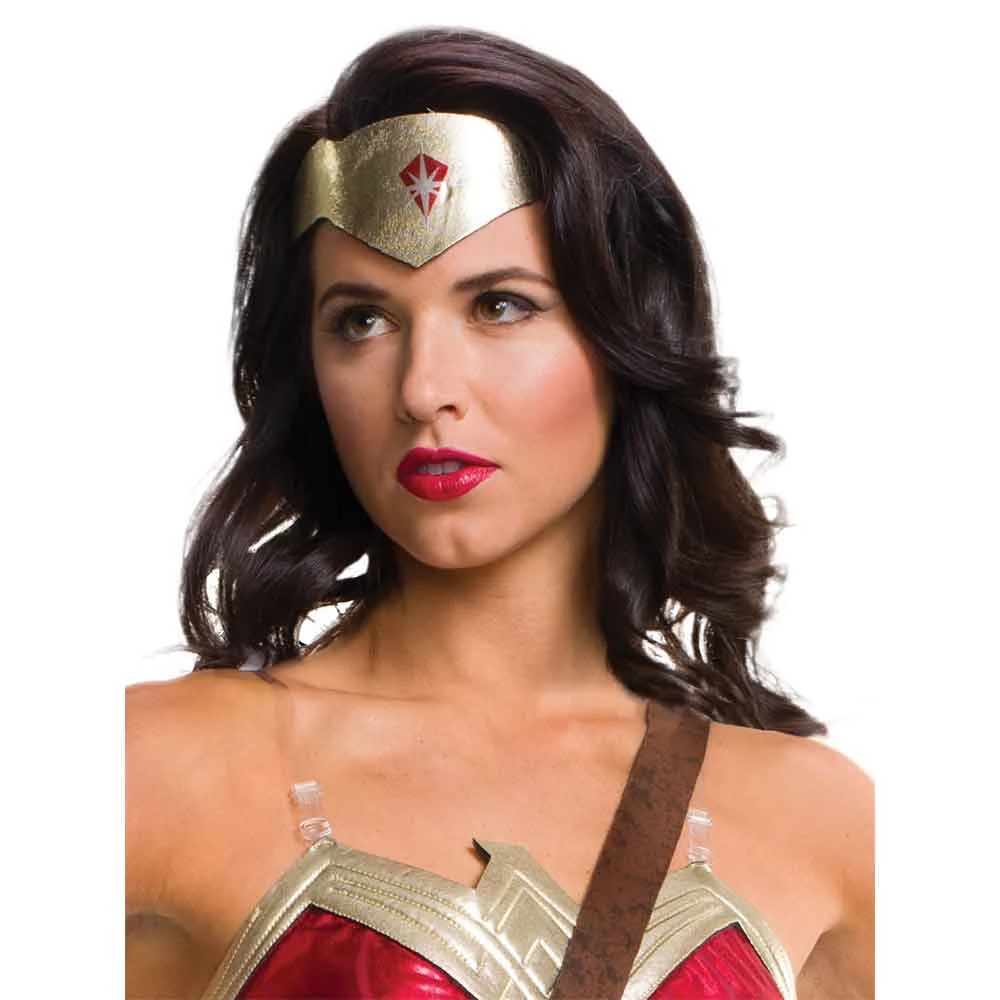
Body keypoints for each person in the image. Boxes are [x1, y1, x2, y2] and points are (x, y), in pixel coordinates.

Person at [125, 26, 874, 1000]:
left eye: (501, 306)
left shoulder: (823, 824)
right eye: (362, 320)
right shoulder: (151, 770)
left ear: (627, 336)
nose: (422, 388)